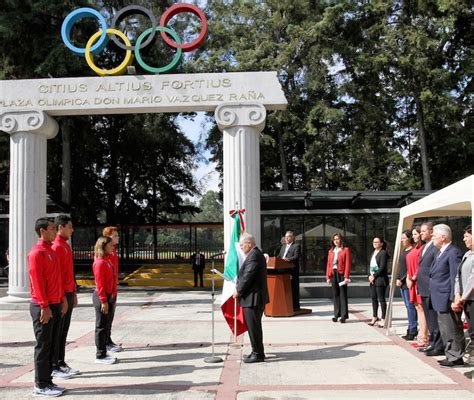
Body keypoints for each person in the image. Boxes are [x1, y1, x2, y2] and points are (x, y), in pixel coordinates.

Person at [28, 217, 67, 397]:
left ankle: (48, 381)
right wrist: (44, 306)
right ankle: (40, 385)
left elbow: (56, 280)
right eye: (52, 228)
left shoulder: (50, 251)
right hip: (43, 306)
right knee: (43, 346)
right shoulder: (37, 253)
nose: (55, 231)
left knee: (51, 344)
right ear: (42, 231)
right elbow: (36, 282)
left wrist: (62, 299)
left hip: (55, 303)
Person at [430, 224, 464, 367]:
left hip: (447, 297)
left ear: (443, 237)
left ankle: (456, 356)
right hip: (439, 296)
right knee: (445, 328)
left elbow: (454, 276)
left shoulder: (453, 252)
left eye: (434, 235)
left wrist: (454, 297)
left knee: (452, 327)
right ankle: (450, 354)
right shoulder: (440, 252)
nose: (432, 237)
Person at [51, 215, 80, 380]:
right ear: (61, 227)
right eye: (70, 227)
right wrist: (62, 297)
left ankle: (61, 362)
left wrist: (73, 293)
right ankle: (55, 364)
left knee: (64, 331)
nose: (72, 230)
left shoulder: (66, 247)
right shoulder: (56, 247)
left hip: (68, 293)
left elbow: (69, 273)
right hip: (61, 295)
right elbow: (58, 276)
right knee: (58, 332)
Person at [233, 232, 269, 363]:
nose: (241, 248)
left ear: (249, 244)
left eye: (242, 245)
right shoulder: (255, 254)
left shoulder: (253, 255)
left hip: (253, 298)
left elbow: (248, 276)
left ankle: (258, 354)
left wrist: (238, 291)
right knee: (253, 327)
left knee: (254, 327)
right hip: (253, 297)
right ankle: (256, 351)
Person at [417, 221, 444, 356]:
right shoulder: (425, 247)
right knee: (429, 318)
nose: (421, 233)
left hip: (430, 288)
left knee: (434, 319)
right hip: (422, 287)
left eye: (423, 231)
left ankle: (438, 345)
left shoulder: (434, 247)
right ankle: (432, 343)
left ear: (431, 231)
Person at [92, 236, 118, 365]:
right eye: (110, 245)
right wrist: (104, 301)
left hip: (108, 296)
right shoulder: (100, 262)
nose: (113, 247)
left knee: (106, 324)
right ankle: (100, 354)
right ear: (103, 246)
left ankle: (104, 351)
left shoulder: (107, 260)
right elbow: (100, 284)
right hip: (102, 296)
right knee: (101, 326)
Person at [452, 225, 473, 361]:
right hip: (465, 299)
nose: (464, 239)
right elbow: (458, 276)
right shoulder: (467, 254)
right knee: (471, 330)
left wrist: (462, 298)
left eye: (467, 236)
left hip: (470, 298)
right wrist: (457, 294)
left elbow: (472, 278)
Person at [406, 226, 428, 348]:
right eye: (413, 235)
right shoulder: (414, 248)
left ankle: (424, 336)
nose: (413, 236)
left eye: (415, 234)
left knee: (421, 308)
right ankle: (422, 334)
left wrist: (413, 277)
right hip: (412, 281)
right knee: (417, 307)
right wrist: (409, 277)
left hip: (418, 281)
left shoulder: (423, 248)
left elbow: (422, 265)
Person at [102, 226, 122, 353]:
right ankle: (104, 343)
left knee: (110, 318)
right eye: (115, 236)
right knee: (104, 320)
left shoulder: (113, 251)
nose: (117, 237)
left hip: (113, 289)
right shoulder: (105, 253)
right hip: (107, 290)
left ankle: (108, 340)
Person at [397, 229, 418, 341]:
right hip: (402, 283)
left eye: (404, 238)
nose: (402, 240)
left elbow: (411, 268)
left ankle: (413, 329)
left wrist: (403, 278)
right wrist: (397, 278)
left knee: (411, 307)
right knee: (407, 307)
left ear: (410, 239)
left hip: (409, 282)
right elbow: (401, 266)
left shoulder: (413, 251)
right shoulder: (404, 250)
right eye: (401, 238)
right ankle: (410, 327)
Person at [325, 233, 352, 323]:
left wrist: (346, 276)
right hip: (333, 274)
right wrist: (328, 276)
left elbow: (348, 264)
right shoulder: (331, 251)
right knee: (335, 294)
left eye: (338, 239)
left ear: (341, 240)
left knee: (343, 294)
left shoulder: (345, 250)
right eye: (334, 239)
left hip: (341, 274)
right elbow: (329, 264)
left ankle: (343, 316)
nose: (336, 241)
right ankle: (336, 315)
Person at [368, 236, 389, 328]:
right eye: (374, 242)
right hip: (373, 279)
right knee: (373, 298)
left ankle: (384, 318)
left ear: (381, 243)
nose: (375, 243)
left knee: (381, 299)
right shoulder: (373, 253)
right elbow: (371, 266)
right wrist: (370, 276)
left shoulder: (383, 253)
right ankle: (375, 316)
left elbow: (382, 267)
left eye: (377, 242)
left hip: (380, 279)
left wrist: (374, 276)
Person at [278, 230, 301, 311]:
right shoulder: (283, 247)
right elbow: (279, 257)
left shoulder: (296, 246)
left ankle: (295, 307)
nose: (287, 238)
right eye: (286, 236)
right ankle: (285, 305)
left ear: (293, 238)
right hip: (283, 272)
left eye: (289, 236)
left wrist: (288, 259)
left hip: (292, 271)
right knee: (285, 290)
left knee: (293, 289)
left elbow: (296, 257)